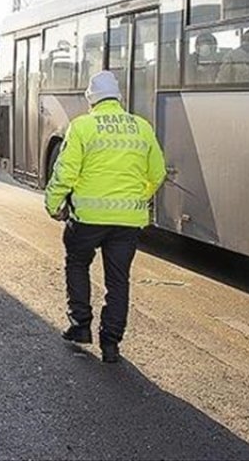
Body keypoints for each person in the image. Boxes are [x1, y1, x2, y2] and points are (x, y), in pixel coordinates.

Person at [44, 71, 166, 364]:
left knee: (77, 263)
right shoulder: (142, 127)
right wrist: (138, 196)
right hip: (127, 223)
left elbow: (65, 172)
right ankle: (111, 345)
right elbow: (158, 173)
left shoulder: (83, 127)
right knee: (118, 280)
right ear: (119, 97)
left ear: (91, 99)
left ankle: (81, 325)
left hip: (88, 219)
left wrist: (53, 203)